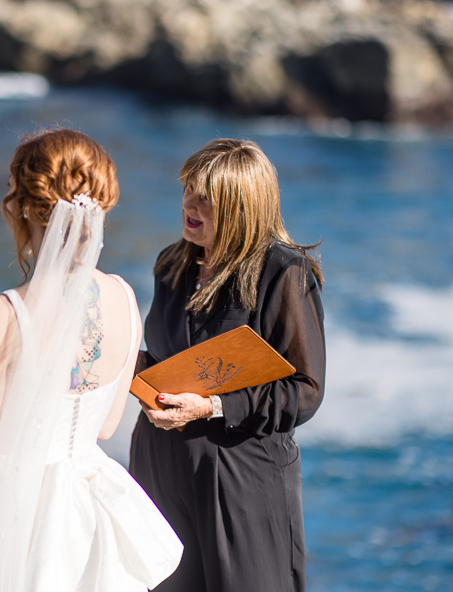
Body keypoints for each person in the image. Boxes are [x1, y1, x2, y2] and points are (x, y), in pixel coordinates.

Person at [0, 128, 183, 591]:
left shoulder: (2, 315)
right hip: (86, 510)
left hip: (7, 518)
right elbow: (105, 426)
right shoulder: (125, 299)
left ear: (25, 207)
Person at [129, 137, 326, 592]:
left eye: (206, 199)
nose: (189, 205)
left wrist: (212, 407)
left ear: (242, 207)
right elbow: (163, 359)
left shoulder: (284, 272)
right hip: (159, 463)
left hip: (242, 474)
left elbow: (306, 391)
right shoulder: (171, 264)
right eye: (187, 190)